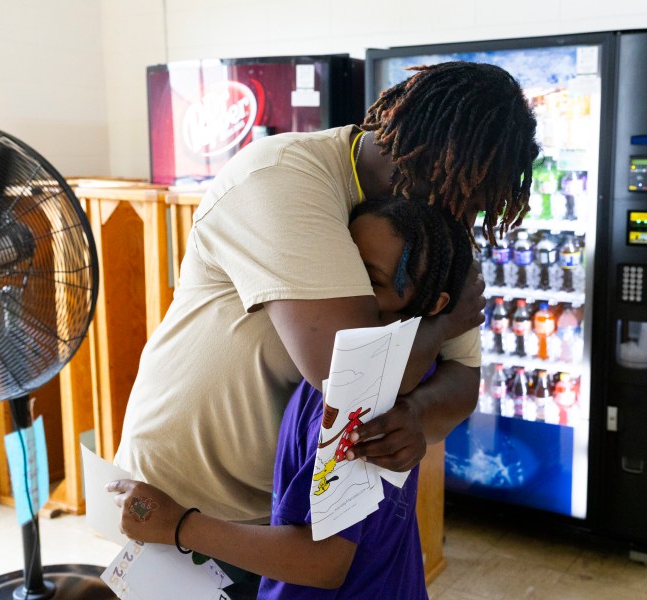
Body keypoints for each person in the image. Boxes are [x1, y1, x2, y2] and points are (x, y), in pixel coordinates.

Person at [114, 61, 539, 525]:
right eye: (464, 198)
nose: (466, 222)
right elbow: (346, 377)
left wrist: (414, 414)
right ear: (435, 160)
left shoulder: (438, 227)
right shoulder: (283, 176)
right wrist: (446, 324)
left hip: (284, 512)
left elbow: (463, 382)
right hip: (177, 495)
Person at [108, 195, 475, 599]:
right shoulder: (356, 368)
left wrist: (177, 524)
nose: (342, 290)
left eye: (369, 281)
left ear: (431, 304)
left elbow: (324, 561)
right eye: (339, 265)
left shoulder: (362, 397)